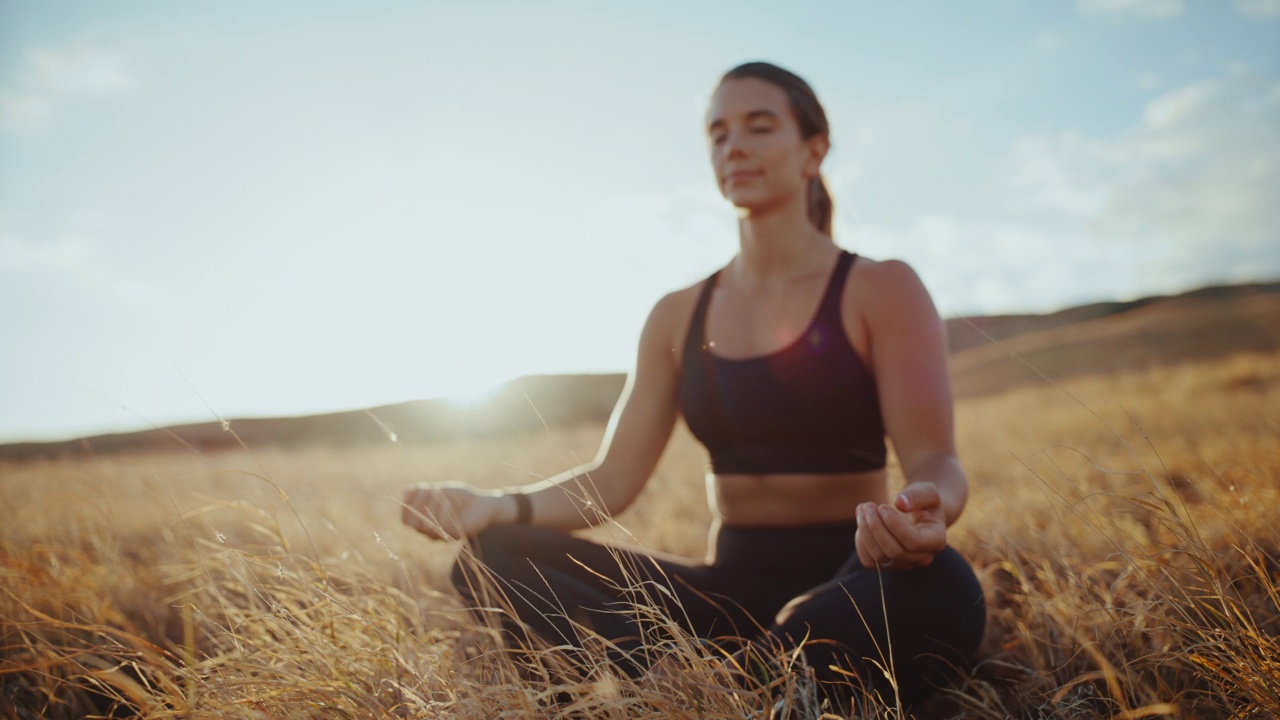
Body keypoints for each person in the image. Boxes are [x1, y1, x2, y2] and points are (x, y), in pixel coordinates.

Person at [402, 61, 986, 709]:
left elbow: (934, 460)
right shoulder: (676, 315)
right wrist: (497, 504)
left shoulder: (882, 288)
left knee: (947, 586)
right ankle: (755, 680)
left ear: (813, 150)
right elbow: (612, 479)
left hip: (854, 579)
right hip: (723, 594)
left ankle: (713, 683)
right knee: (491, 556)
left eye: (759, 128)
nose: (732, 146)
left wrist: (927, 513)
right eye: (717, 133)